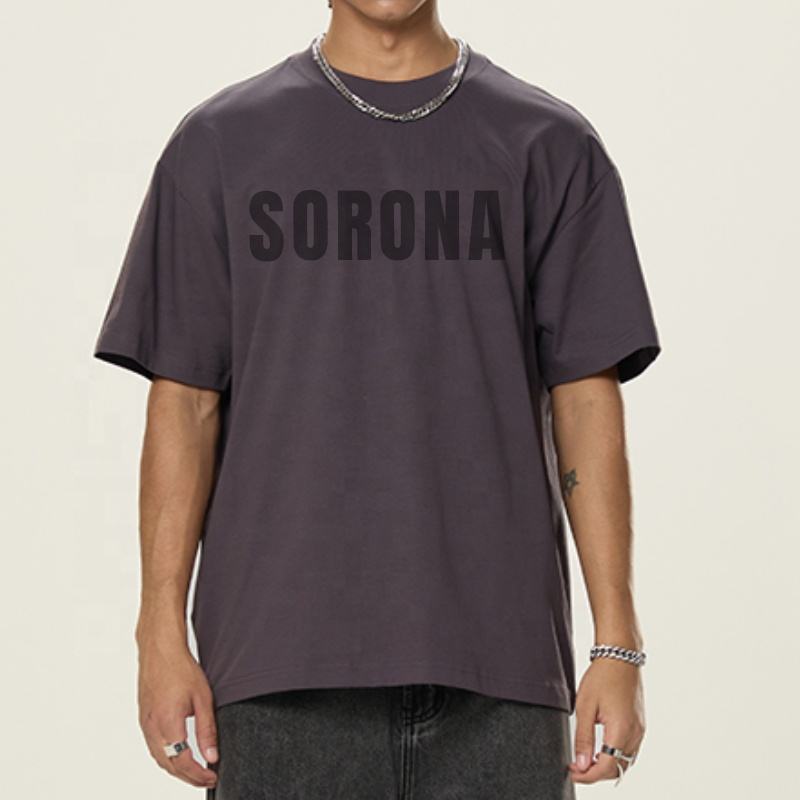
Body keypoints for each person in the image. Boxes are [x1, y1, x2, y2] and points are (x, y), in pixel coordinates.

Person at [93, 1, 661, 797]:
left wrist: (617, 643)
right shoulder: (220, 143)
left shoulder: (552, 144)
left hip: (500, 677)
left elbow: (586, 400)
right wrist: (158, 635)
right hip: (276, 678)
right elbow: (184, 403)